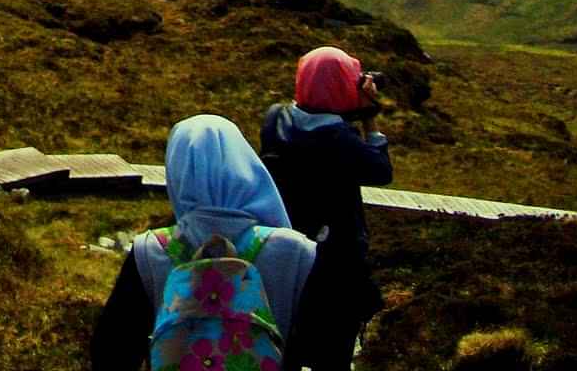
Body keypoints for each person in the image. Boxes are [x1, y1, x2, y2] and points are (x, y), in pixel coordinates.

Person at [90, 114, 317, 371]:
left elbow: (109, 352)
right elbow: (328, 349)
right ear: (247, 168)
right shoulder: (296, 252)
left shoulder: (151, 251)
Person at [260, 46, 394, 371]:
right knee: (333, 352)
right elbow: (380, 170)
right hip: (337, 264)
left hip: (286, 250)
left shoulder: (276, 119)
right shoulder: (338, 139)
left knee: (288, 342)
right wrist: (370, 117)